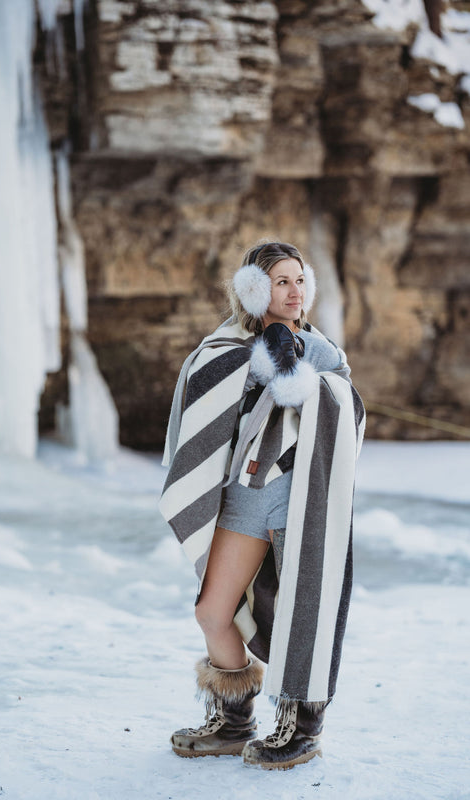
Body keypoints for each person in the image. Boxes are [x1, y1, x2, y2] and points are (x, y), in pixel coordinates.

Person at [159, 241, 365, 770]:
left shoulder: (319, 349)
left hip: (302, 501)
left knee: (306, 610)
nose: (294, 292)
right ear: (255, 289)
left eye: (300, 280)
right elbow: (205, 398)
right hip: (246, 497)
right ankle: (233, 719)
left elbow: (340, 404)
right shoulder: (226, 345)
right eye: (281, 282)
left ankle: (301, 726)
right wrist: (261, 358)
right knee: (212, 610)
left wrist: (298, 366)